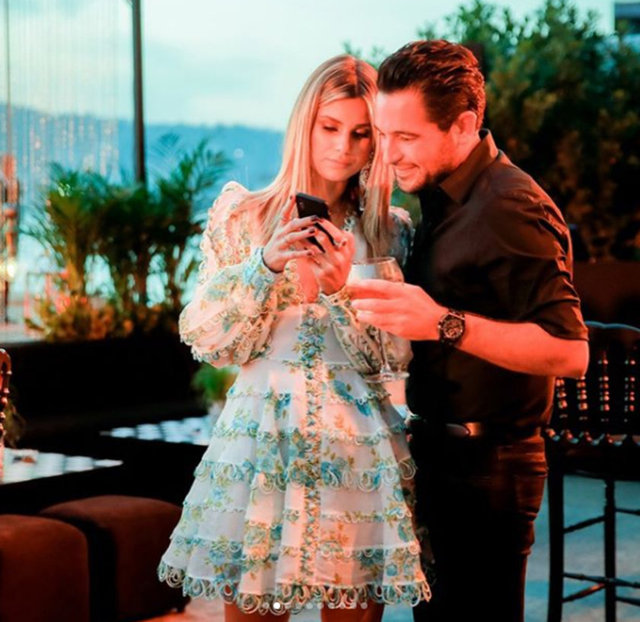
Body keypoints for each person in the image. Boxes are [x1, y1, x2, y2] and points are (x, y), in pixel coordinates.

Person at [157, 54, 430, 621]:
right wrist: (264, 266)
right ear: (304, 124)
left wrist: (341, 291)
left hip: (354, 448)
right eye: (329, 127)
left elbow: (391, 359)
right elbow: (211, 340)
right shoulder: (243, 216)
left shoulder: (389, 230)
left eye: (360, 133)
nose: (343, 147)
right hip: (261, 441)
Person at [348, 40, 589, 622]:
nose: (389, 154)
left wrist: (441, 323)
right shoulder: (441, 195)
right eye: (383, 134)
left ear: (464, 124)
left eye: (407, 137)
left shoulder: (510, 206)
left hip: (489, 470)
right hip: (442, 457)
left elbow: (570, 351)